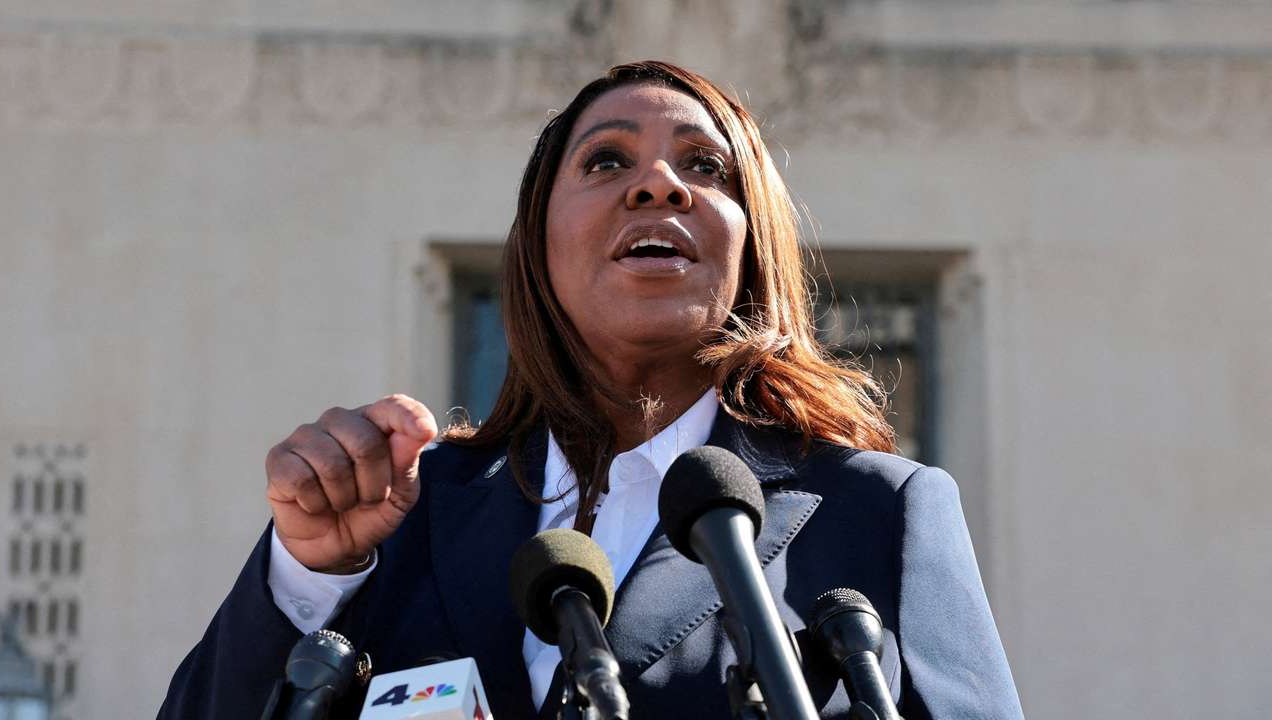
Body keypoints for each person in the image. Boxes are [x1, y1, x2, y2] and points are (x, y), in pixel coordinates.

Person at [160, 60, 1023, 719]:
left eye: (704, 165)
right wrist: (311, 574)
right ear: (538, 247)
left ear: (751, 247)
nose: (659, 184)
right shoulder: (402, 515)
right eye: (607, 161)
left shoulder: (878, 511)